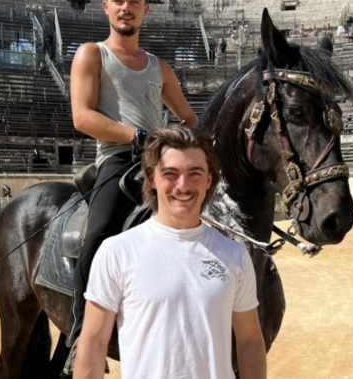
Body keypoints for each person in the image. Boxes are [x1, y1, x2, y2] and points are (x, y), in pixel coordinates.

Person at [66, 0, 198, 373]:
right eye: (119, 0)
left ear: (146, 10)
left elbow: (189, 117)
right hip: (118, 160)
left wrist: (181, 143)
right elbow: (82, 116)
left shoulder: (161, 68)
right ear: (106, 7)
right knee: (100, 232)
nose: (126, 7)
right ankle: (79, 337)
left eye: (134, 1)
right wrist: (135, 136)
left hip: (160, 161)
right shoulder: (92, 54)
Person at [74, 126, 266, 379]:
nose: (183, 186)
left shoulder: (234, 254)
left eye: (195, 173)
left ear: (209, 179)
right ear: (152, 178)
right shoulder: (117, 252)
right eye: (170, 174)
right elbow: (94, 342)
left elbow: (250, 341)